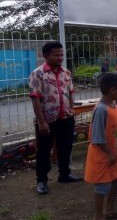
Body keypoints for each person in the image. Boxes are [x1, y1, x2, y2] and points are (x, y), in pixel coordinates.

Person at [29, 42, 82, 195]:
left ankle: (64, 174)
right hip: (47, 121)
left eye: (61, 54)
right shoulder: (37, 74)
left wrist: (71, 110)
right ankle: (42, 180)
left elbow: (70, 92)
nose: (60, 57)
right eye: (56, 55)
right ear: (46, 56)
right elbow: (35, 98)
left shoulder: (66, 72)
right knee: (44, 151)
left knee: (66, 147)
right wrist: (41, 122)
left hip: (65, 117)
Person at [84, 73, 117, 220]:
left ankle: (109, 210)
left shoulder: (114, 104)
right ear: (112, 90)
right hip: (104, 156)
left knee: (116, 179)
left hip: (114, 154)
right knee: (102, 187)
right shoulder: (101, 110)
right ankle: (98, 216)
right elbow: (96, 138)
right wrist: (110, 154)